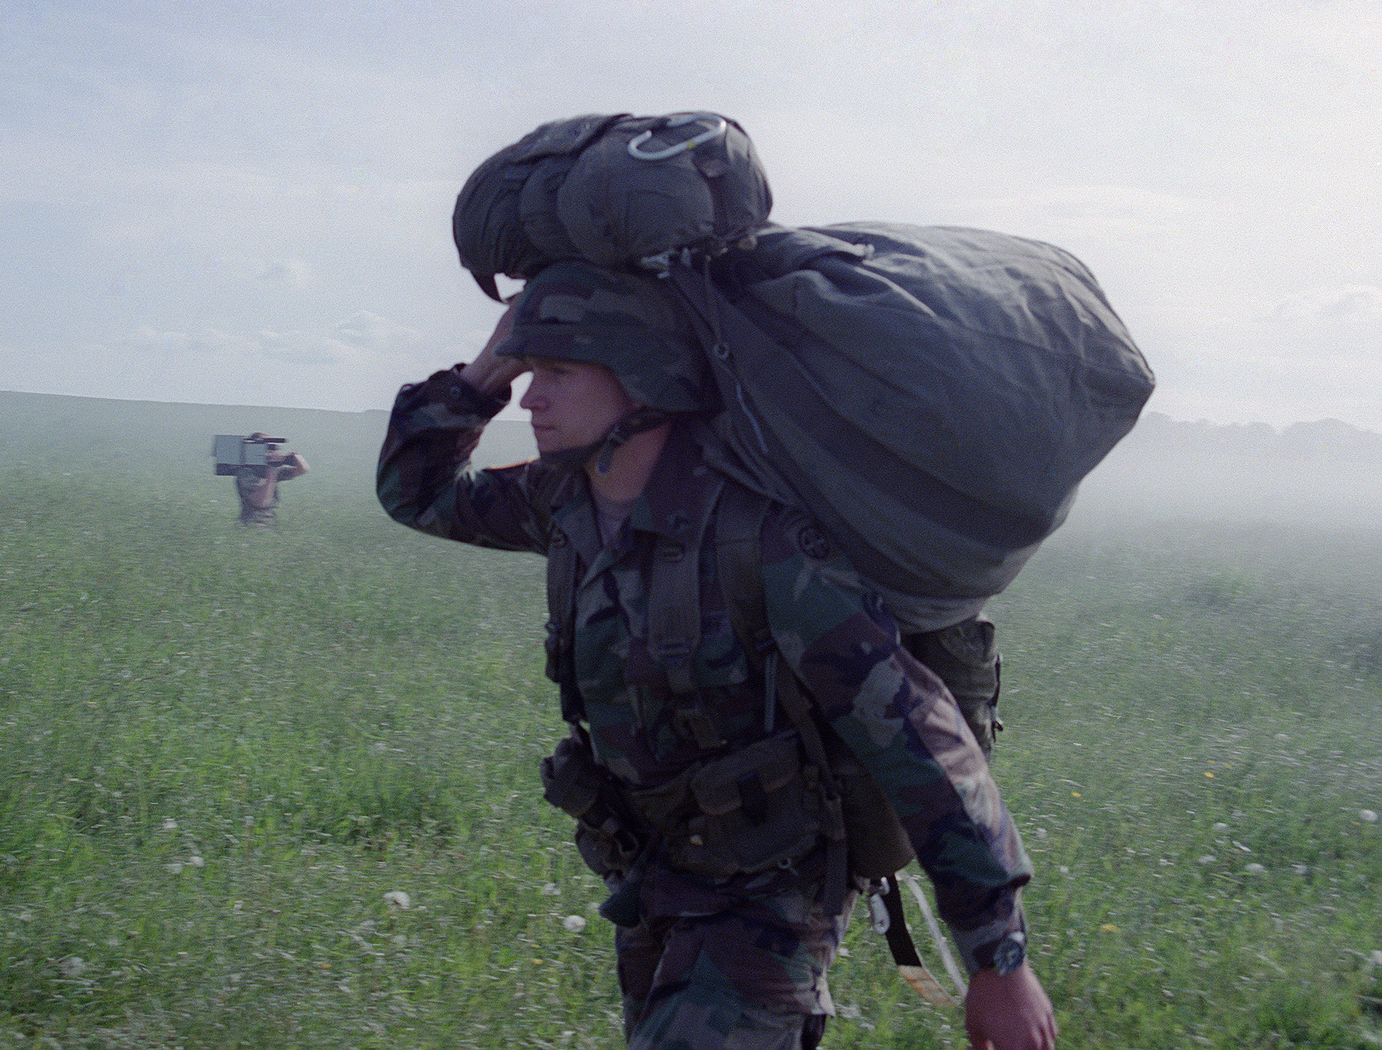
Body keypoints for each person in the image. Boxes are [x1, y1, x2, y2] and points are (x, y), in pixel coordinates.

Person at [377, 261, 1056, 1050]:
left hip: (769, 898)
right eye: (531, 374)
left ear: (645, 379)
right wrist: (493, 363)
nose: (531, 397)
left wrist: (998, 956)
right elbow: (415, 491)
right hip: (654, 881)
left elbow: (917, 732)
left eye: (558, 371)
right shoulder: (562, 500)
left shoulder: (759, 539)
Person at [236, 433, 309, 526]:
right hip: (252, 523)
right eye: (267, 448)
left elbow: (303, 469)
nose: (270, 452)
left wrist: (294, 456)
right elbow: (260, 502)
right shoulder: (246, 472)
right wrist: (272, 468)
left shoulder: (266, 470)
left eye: (272, 448)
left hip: (269, 522)